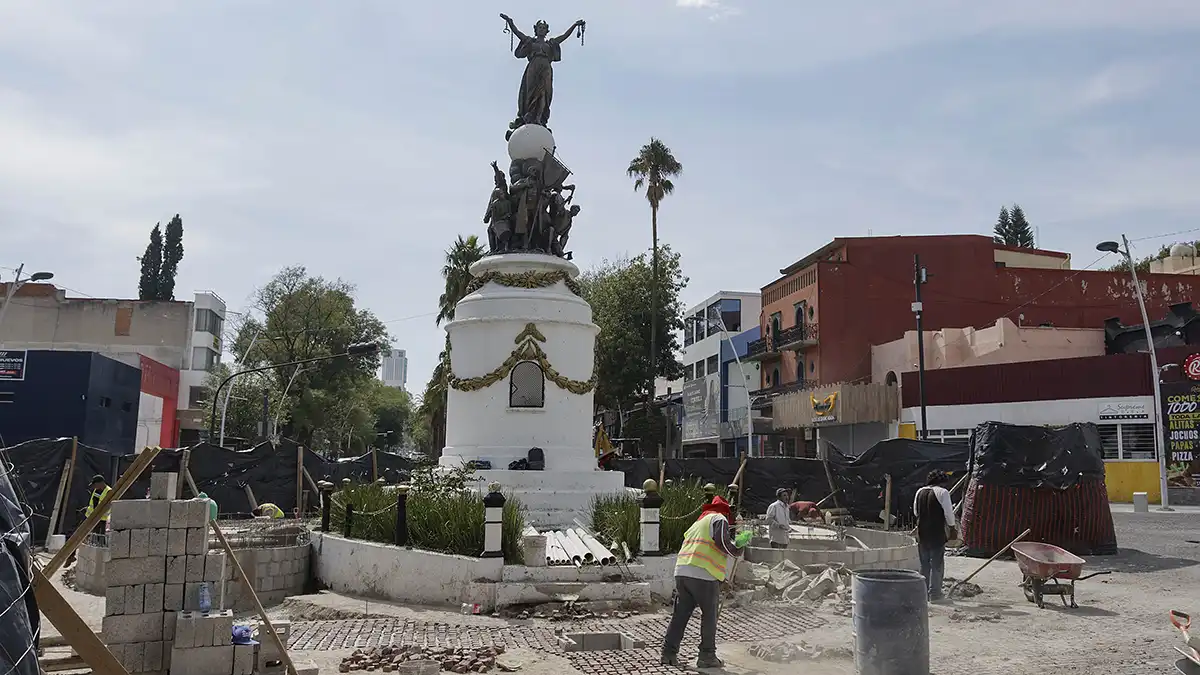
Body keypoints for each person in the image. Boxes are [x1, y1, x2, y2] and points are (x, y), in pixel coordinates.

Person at [660, 496, 750, 669]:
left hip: (682, 572)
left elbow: (703, 548)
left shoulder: (697, 523)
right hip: (702, 575)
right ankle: (707, 656)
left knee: (680, 615)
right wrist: (738, 548)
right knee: (709, 615)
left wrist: (721, 578)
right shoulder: (719, 518)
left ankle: (668, 653)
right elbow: (721, 542)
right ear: (724, 511)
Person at [913, 470, 957, 601]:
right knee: (937, 564)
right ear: (942, 482)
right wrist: (952, 528)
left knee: (924, 564)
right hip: (937, 532)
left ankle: (923, 593)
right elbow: (949, 513)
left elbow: (916, 512)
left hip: (922, 533)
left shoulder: (919, 492)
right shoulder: (943, 492)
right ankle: (935, 594)